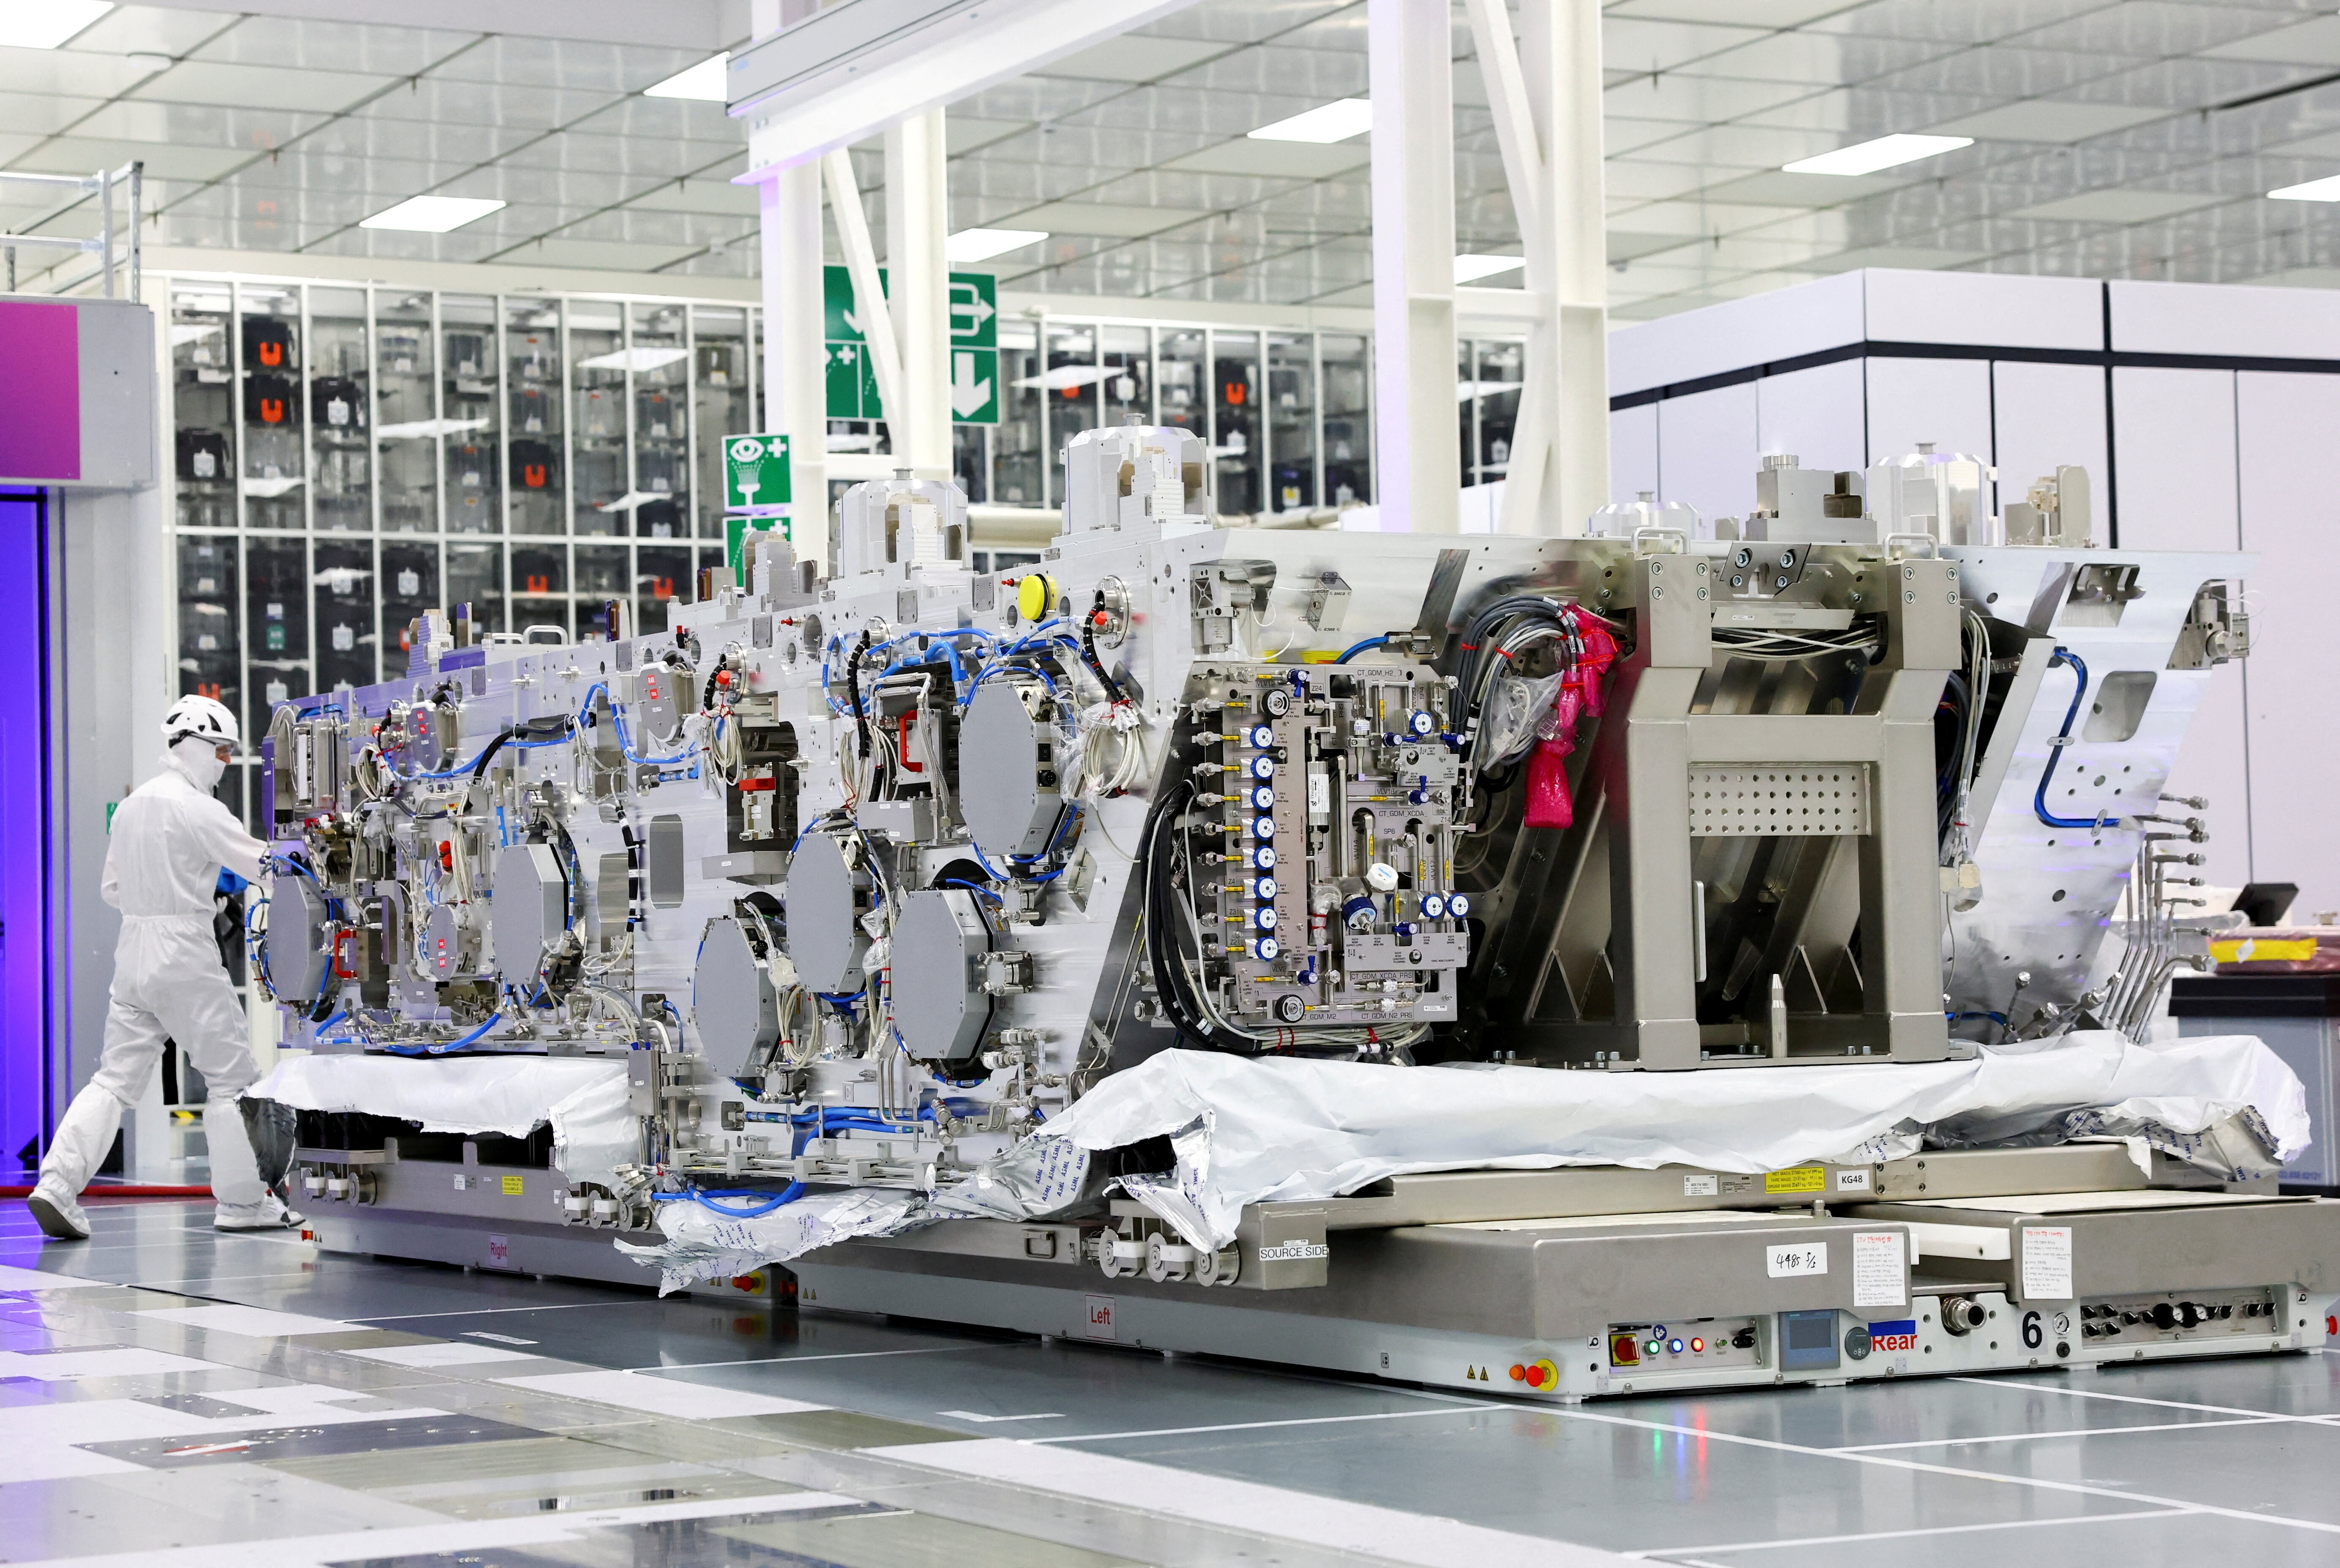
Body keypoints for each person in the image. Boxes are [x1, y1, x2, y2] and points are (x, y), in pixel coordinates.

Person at [27, 695, 302, 1240]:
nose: (226, 761)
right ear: (197, 744)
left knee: (113, 1079)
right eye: (223, 750)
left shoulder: (134, 805)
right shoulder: (197, 807)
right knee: (232, 1080)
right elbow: (266, 867)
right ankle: (244, 1205)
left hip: (133, 948)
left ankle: (57, 1184)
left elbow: (112, 889)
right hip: (183, 949)